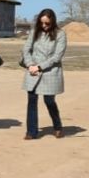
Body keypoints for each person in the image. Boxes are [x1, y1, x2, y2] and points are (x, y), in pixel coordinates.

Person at [21, 8, 67, 140]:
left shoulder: (60, 34)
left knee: (49, 101)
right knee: (32, 100)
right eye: (42, 23)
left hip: (50, 71)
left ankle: (57, 126)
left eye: (47, 23)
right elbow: (26, 49)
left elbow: (57, 56)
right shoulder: (35, 32)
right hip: (33, 71)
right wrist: (30, 64)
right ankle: (31, 131)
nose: (44, 26)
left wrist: (40, 67)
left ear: (52, 21)